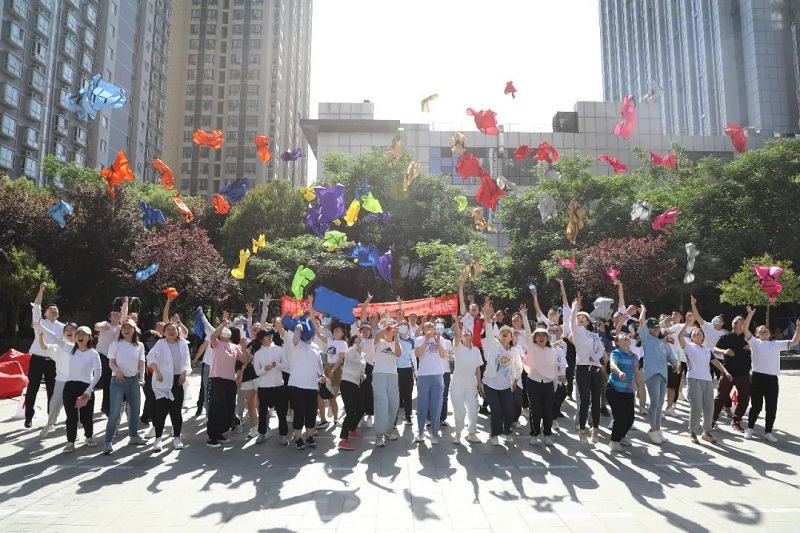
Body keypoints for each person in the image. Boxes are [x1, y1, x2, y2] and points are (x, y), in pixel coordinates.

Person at [743, 307, 800, 442]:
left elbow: (794, 342)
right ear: (756, 333)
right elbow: (745, 329)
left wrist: (798, 327)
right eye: (760, 329)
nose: (763, 330)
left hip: (772, 378)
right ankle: (749, 428)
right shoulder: (755, 342)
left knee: (772, 406)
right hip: (757, 377)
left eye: (765, 329)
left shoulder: (776, 344)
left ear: (770, 333)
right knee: (756, 405)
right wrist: (750, 315)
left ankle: (768, 431)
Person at [678, 317, 732, 445]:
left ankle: (706, 432)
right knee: (696, 407)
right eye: (694, 333)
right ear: (691, 337)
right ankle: (692, 431)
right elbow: (680, 337)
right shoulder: (689, 347)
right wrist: (686, 324)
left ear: (703, 337)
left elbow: (717, 363)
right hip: (693, 379)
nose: (697, 333)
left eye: (699, 332)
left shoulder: (707, 350)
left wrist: (726, 372)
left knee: (709, 407)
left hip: (707, 381)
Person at [103, 319, 147, 454]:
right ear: (121, 330)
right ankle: (108, 442)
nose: (127, 329)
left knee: (135, 410)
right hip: (118, 381)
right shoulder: (116, 344)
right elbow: (111, 362)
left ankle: (133, 436)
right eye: (124, 327)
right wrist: (117, 371)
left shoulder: (139, 345)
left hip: (133, 380)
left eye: (130, 327)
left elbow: (141, 363)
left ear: (134, 330)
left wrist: (142, 378)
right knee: (115, 412)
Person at [146, 322, 191, 453]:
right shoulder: (160, 344)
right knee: (161, 411)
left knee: (176, 411)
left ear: (177, 332)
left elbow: (186, 361)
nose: (171, 331)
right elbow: (151, 358)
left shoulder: (182, 344)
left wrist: (184, 373)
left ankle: (177, 437)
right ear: (164, 332)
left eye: (174, 329)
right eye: (168, 329)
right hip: (162, 381)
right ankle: (158, 439)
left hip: (178, 380)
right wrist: (157, 372)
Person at [481, 301, 521, 446]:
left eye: (507, 333)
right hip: (490, 384)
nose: (505, 334)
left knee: (510, 411)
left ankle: (506, 430)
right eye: (502, 333)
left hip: (505, 386)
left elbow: (518, 367)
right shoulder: (494, 345)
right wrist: (488, 317)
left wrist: (515, 381)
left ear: (511, 337)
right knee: (496, 410)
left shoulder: (514, 351)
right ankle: (495, 434)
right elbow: (489, 332)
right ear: (499, 336)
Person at [24, 282, 64, 428]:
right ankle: (28, 416)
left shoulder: (63, 327)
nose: (53, 310)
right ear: (45, 313)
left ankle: (51, 418)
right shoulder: (40, 322)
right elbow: (36, 306)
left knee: (52, 390)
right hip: (37, 359)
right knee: (33, 387)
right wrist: (41, 290)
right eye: (50, 309)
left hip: (53, 361)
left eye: (55, 309)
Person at [638, 305, 680, 444]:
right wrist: (644, 311)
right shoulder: (646, 338)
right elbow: (642, 322)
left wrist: (675, 363)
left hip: (663, 374)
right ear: (649, 329)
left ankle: (658, 429)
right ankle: (653, 429)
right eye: (653, 327)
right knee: (655, 402)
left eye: (657, 327)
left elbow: (669, 355)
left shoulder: (662, 340)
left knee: (660, 403)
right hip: (652, 374)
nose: (656, 329)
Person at [570, 293, 608, 444]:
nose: (580, 319)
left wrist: (595, 356)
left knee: (596, 399)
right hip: (582, 368)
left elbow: (600, 349)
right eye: (578, 318)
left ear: (587, 321)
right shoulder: (577, 332)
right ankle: (582, 429)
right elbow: (571, 321)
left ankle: (596, 429)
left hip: (595, 368)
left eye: (582, 317)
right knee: (585, 400)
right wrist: (575, 307)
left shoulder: (594, 335)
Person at [283, 313, 324, 450]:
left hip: (312, 385)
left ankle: (310, 436)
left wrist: (322, 375)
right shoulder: (296, 344)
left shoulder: (316, 348)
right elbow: (294, 339)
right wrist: (298, 327)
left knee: (311, 412)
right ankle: (298, 438)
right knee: (299, 412)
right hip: (296, 384)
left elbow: (319, 366)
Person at [206, 320, 248, 448]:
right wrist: (223, 325)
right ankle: (212, 437)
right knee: (216, 408)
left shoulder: (234, 347)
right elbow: (213, 336)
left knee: (229, 408)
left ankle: (220, 433)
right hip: (217, 379)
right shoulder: (216, 343)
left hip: (230, 381)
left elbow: (244, 359)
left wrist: (244, 347)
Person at [520, 303, 558, 446]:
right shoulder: (532, 347)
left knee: (547, 410)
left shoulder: (552, 352)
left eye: (544, 335)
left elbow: (554, 370)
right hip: (533, 382)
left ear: (548, 338)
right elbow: (528, 334)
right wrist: (524, 316)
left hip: (548, 384)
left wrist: (554, 384)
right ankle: (535, 433)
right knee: (535, 410)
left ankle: (547, 434)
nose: (541, 337)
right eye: (538, 335)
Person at [60, 326, 102, 453]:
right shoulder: (70, 349)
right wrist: (39, 324)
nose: (80, 336)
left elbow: (98, 374)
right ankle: (70, 441)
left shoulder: (93, 353)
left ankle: (88, 437)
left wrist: (89, 390)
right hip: (70, 386)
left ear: (89, 337)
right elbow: (52, 338)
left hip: (86, 386)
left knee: (86, 416)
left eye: (83, 334)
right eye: (78, 333)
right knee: (71, 416)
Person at [34, 322, 76, 438]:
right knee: (54, 403)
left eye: (72, 329)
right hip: (61, 379)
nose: (69, 332)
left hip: (76, 380)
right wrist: (41, 337)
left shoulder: (80, 347)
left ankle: (76, 427)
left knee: (75, 406)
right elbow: (44, 347)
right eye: (66, 330)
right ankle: (50, 423)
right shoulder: (59, 346)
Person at [711, 314, 752, 432]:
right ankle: (712, 420)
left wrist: (750, 348)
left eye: (739, 320)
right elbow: (715, 349)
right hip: (727, 372)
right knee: (720, 397)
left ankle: (736, 421)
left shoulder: (748, 337)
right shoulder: (726, 337)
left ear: (744, 324)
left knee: (744, 398)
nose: (736, 322)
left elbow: (758, 347)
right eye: (734, 320)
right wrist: (724, 351)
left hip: (743, 373)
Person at [252, 327, 290, 444]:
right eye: (266, 336)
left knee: (281, 412)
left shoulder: (279, 349)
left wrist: (276, 364)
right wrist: (265, 369)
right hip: (264, 386)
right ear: (261, 339)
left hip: (278, 385)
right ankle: (262, 433)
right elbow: (257, 372)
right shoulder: (258, 354)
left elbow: (285, 366)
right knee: (262, 411)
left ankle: (283, 435)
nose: (269, 337)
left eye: (270, 335)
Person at [450, 316, 483, 444]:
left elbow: (478, 369)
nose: (465, 332)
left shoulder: (476, 350)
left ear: (471, 336)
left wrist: (479, 384)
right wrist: (456, 322)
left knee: (473, 410)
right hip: (457, 384)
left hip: (471, 385)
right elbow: (457, 335)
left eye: (467, 332)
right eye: (463, 332)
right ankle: (458, 433)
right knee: (460, 411)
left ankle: (472, 433)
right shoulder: (457, 347)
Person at [606, 333, 641, 451]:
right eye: (622, 337)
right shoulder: (615, 353)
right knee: (620, 417)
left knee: (630, 419)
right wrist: (619, 372)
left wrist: (640, 389)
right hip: (614, 389)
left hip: (628, 391)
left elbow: (636, 373)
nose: (626, 337)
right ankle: (614, 441)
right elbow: (612, 365)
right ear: (617, 343)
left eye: (627, 336)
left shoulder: (634, 357)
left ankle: (621, 436)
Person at [413, 322, 447, 444]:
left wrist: (437, 342)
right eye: (427, 326)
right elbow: (417, 354)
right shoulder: (419, 339)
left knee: (436, 406)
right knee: (422, 405)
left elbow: (443, 355)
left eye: (432, 326)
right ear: (423, 329)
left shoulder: (440, 339)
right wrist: (426, 340)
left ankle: (434, 433)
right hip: (423, 376)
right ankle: (421, 432)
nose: (430, 328)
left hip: (437, 375)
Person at [94, 298, 128, 416]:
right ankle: (107, 406)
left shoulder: (121, 328)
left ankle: (107, 407)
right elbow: (97, 326)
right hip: (102, 355)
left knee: (110, 383)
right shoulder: (107, 324)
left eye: (118, 313)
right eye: (114, 314)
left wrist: (125, 303)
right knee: (106, 381)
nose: (117, 314)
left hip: (113, 357)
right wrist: (104, 327)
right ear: (110, 317)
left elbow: (124, 315)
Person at [371, 322, 402, 447]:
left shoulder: (396, 343)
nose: (390, 331)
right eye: (388, 329)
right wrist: (386, 328)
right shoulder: (379, 342)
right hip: (379, 374)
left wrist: (396, 336)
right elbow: (377, 336)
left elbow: (398, 354)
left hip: (393, 375)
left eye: (391, 329)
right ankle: (379, 435)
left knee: (393, 404)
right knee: (381, 403)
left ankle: (388, 431)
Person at [337, 336, 367, 451]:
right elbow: (349, 353)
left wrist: (364, 375)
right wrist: (356, 344)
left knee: (360, 409)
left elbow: (362, 372)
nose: (361, 342)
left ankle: (351, 430)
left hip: (355, 384)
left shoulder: (363, 356)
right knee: (350, 411)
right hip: (346, 383)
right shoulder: (350, 352)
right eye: (358, 341)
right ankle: (343, 439)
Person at [395, 319, 417, 425]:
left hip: (408, 369)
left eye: (405, 325)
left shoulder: (411, 341)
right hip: (395, 369)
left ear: (408, 328)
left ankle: (408, 415)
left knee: (408, 394)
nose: (403, 327)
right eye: (401, 325)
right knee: (396, 394)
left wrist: (416, 372)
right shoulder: (395, 338)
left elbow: (413, 357)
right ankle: (393, 419)